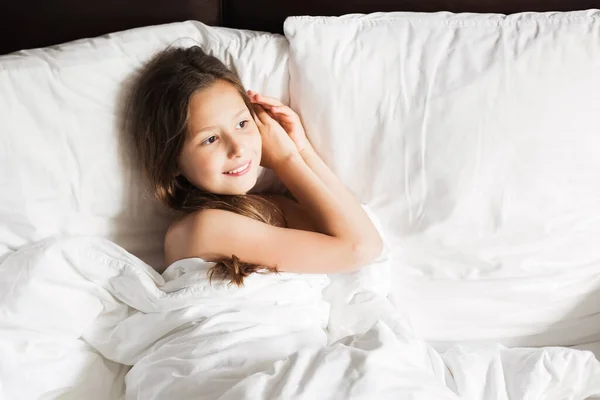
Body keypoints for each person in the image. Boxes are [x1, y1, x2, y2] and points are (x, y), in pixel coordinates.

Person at [128, 45, 382, 285]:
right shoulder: (202, 227)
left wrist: (302, 150)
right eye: (210, 139)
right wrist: (287, 160)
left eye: (242, 124)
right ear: (172, 161)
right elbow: (361, 248)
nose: (238, 148)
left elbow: (353, 231)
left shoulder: (271, 207)